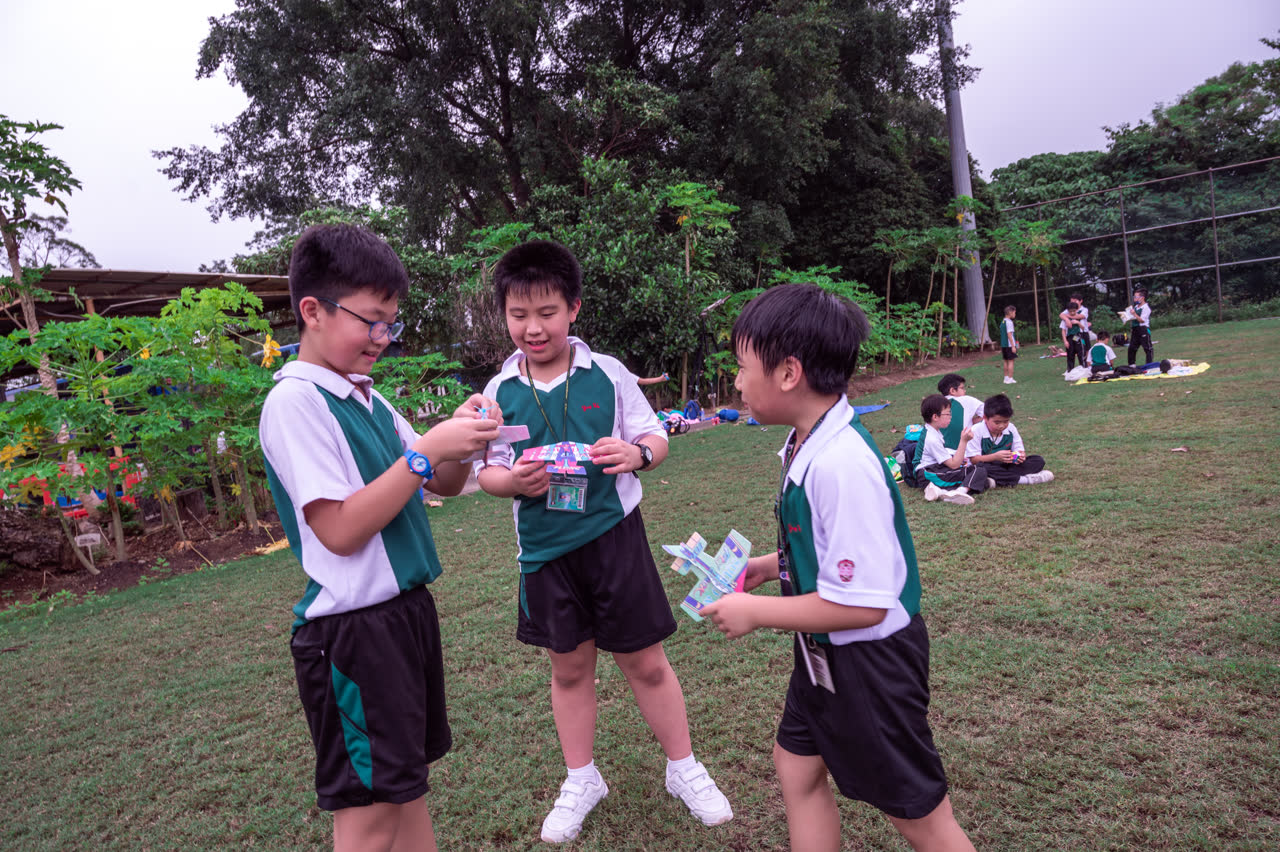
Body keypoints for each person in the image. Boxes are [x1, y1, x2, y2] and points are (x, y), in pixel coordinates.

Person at [698, 284, 975, 852]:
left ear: (788, 373)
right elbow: (826, 548)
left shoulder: (840, 464)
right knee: (797, 766)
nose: (737, 383)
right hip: (822, 653)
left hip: (869, 663)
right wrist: (768, 567)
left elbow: (863, 603)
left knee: (921, 817)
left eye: (743, 368)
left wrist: (755, 611)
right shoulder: (806, 442)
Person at [473, 240, 732, 844]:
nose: (533, 328)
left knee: (645, 660)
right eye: (518, 315)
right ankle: (581, 778)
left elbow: (656, 437)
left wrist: (637, 454)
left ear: (573, 309)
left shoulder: (609, 374)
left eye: (547, 313)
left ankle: (683, 767)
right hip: (545, 553)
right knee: (569, 670)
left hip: (615, 539)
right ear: (504, 315)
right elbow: (487, 472)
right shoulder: (497, 390)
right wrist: (513, 482)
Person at [259, 224, 502, 852]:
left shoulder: (365, 396)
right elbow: (339, 529)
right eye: (370, 321)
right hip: (352, 635)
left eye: (391, 323)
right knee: (369, 815)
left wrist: (460, 438)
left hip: (402, 616)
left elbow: (444, 482)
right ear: (312, 311)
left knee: (405, 789)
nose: (383, 337)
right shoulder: (296, 402)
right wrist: (424, 453)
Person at [964, 393, 1054, 488]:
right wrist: (995, 457)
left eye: (1006, 421)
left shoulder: (1011, 428)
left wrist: (1019, 457)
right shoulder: (976, 430)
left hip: (1006, 465)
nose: (1002, 426)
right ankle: (1024, 480)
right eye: (997, 422)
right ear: (985, 418)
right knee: (981, 468)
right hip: (985, 465)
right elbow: (974, 460)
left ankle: (997, 480)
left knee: (1038, 460)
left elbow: (1019, 450)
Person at [917, 394, 989, 505]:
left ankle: (940, 492)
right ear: (935, 417)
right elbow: (954, 465)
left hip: (931, 470)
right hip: (929, 473)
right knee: (978, 470)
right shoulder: (931, 438)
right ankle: (959, 492)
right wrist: (963, 441)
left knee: (971, 470)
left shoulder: (932, 430)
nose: (951, 417)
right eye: (948, 414)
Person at [936, 373, 985, 447]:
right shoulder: (966, 400)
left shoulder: (936, 403)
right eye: (962, 388)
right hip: (964, 449)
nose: (965, 391)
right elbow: (990, 412)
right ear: (952, 390)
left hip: (940, 449)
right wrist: (973, 422)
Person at [1059, 294, 1089, 370]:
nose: (1072, 312)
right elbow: (1063, 330)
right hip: (1069, 337)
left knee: (1081, 351)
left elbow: (1083, 326)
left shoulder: (1082, 312)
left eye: (1074, 311)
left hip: (1079, 335)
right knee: (1070, 353)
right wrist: (1065, 341)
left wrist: (1077, 322)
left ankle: (1084, 368)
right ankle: (1070, 370)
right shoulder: (1066, 316)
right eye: (1070, 311)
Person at [1126, 288, 1153, 366]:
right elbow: (1133, 317)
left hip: (1143, 329)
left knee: (1147, 348)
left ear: (1142, 298)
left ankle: (1149, 365)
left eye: (1136, 297)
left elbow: (1142, 320)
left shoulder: (1146, 308)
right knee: (1132, 348)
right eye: (1134, 297)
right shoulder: (1136, 307)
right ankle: (1131, 365)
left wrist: (1134, 314)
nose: (1135, 299)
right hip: (1135, 329)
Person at [998, 305, 1018, 384]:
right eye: (1014, 312)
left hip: (1004, 345)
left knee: (1006, 361)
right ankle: (1010, 378)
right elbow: (1009, 334)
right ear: (1010, 312)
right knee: (1011, 361)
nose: (1015, 314)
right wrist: (1013, 346)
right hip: (1009, 345)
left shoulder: (1003, 321)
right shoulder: (1009, 322)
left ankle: (1006, 378)